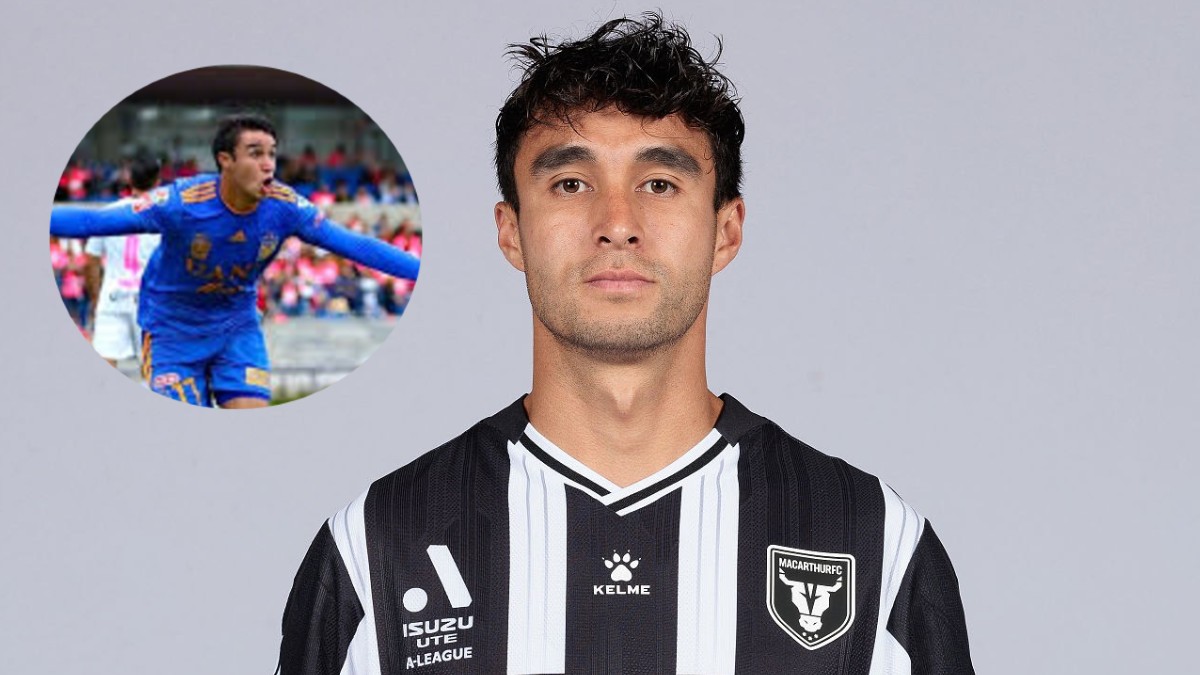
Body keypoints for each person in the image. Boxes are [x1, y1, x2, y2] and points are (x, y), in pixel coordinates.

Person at [278, 13, 972, 674]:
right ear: (511, 231)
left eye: (660, 183)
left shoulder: (873, 542)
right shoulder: (377, 548)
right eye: (571, 183)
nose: (617, 222)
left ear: (726, 230)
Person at [50, 114, 420, 408]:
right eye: (255, 153)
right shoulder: (181, 203)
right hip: (172, 332)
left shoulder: (287, 208)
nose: (268, 164)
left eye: (272, 153)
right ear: (225, 160)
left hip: (237, 327)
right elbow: (91, 222)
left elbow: (357, 246)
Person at [83, 151, 162, 368]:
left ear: (129, 179)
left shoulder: (107, 213)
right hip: (151, 303)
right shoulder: (164, 216)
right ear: (158, 181)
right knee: (153, 372)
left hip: (112, 298)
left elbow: (91, 259)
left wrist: (96, 299)